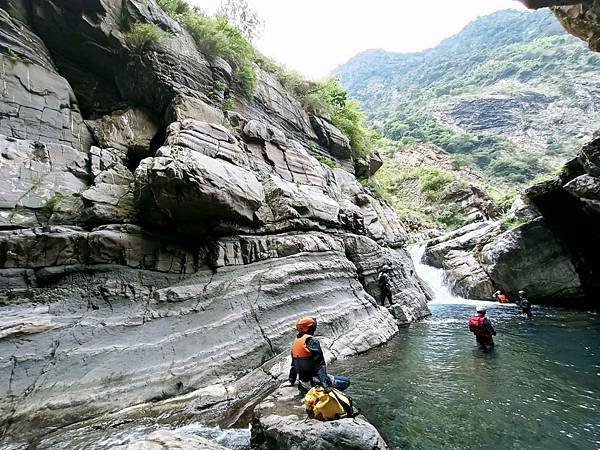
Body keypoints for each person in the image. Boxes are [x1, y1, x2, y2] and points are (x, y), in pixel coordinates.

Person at [289, 317, 351, 393]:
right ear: (309, 328)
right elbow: (320, 365)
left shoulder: (296, 342)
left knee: (339, 378)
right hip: (314, 382)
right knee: (346, 381)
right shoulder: (312, 341)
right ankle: (326, 394)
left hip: (303, 383)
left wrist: (291, 381)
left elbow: (293, 365)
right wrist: (326, 385)